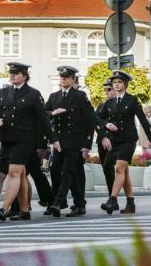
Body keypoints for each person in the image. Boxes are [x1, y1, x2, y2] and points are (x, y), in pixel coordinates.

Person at [0, 62, 58, 221]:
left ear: (25, 76)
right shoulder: (3, 92)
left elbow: (43, 119)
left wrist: (53, 140)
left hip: (24, 141)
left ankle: (4, 208)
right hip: (6, 139)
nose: (12, 75)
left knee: (14, 172)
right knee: (20, 176)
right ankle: (24, 210)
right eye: (11, 73)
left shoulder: (33, 94)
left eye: (16, 73)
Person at [45, 66, 110, 218]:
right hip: (59, 141)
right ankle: (79, 205)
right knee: (56, 172)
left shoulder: (80, 96)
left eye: (67, 77)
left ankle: (57, 203)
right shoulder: (54, 96)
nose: (63, 79)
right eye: (61, 77)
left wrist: (103, 134)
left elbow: (92, 117)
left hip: (74, 141)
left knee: (67, 172)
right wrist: (53, 113)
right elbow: (43, 113)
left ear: (73, 79)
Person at [99, 70, 151, 214]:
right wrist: (105, 124)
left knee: (119, 168)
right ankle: (130, 203)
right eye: (115, 82)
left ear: (125, 84)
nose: (116, 85)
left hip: (128, 140)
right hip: (114, 140)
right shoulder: (110, 102)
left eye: (119, 82)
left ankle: (112, 200)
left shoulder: (132, 100)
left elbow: (143, 119)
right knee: (120, 170)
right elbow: (97, 117)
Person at [96, 78, 116, 195]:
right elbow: (96, 121)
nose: (106, 91)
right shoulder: (101, 106)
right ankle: (112, 194)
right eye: (105, 89)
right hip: (101, 140)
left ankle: (113, 196)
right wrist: (105, 124)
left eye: (109, 89)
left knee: (109, 167)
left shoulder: (120, 105)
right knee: (106, 168)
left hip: (114, 141)